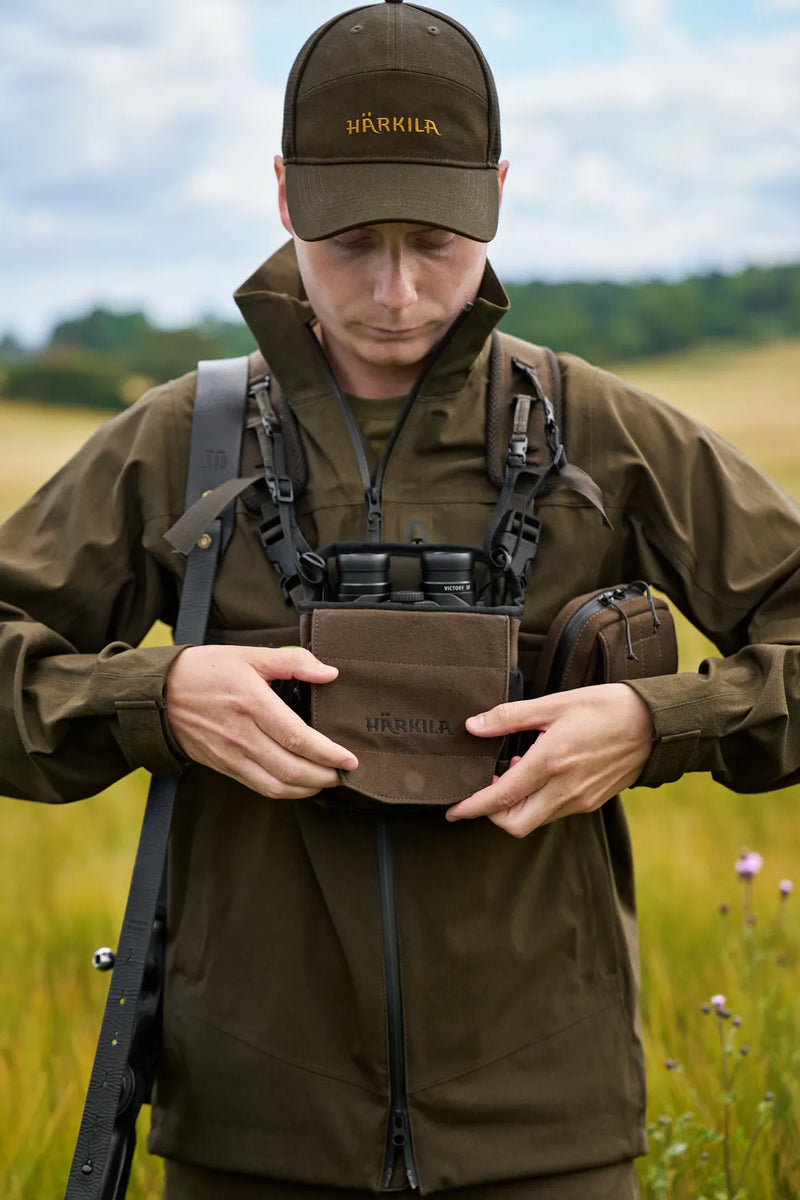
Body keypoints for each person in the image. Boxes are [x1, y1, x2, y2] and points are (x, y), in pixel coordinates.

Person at [2, 2, 800, 1198]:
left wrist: (654, 725)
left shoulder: (604, 432)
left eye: (435, 242)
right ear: (282, 196)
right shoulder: (184, 436)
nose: (392, 293)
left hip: (549, 1132)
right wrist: (153, 696)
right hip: (246, 1130)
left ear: (497, 194)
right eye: (349, 241)